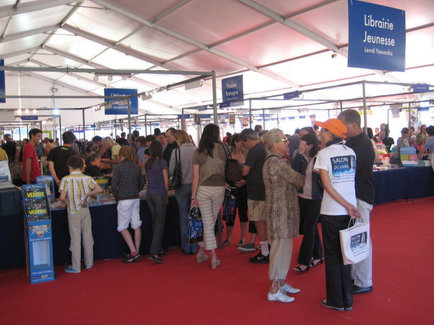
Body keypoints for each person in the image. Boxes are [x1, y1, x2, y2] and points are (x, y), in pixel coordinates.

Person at [314, 118, 360, 311]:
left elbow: (327, 185)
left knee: (333, 255)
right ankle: (347, 299)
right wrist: (349, 205)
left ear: (330, 134)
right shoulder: (351, 152)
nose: (320, 134)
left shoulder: (323, 154)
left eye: (323, 131)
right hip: (349, 211)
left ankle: (335, 300)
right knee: (345, 255)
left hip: (333, 210)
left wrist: (345, 204)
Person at [262, 129, 305, 303]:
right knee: (280, 250)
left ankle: (281, 282)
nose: (287, 142)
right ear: (274, 144)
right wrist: (301, 157)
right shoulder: (276, 163)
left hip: (283, 211)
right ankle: (274, 288)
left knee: (284, 248)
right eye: (284, 139)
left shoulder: (277, 161)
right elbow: (298, 180)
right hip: (280, 212)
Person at [338, 109, 375, 295]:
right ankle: (356, 275)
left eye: (343, 125)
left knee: (361, 237)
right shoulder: (351, 141)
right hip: (352, 196)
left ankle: (364, 280)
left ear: (354, 125)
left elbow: (349, 168)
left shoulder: (363, 144)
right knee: (353, 236)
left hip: (361, 196)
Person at [191, 124, 227, 269]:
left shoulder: (198, 152)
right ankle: (212, 255)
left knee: (208, 222)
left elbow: (195, 177)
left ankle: (205, 253)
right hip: (219, 188)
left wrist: (193, 197)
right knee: (210, 222)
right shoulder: (224, 148)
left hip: (203, 189)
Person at [59, 155, 102, 273]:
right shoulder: (88, 178)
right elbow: (99, 189)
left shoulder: (65, 179)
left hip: (73, 210)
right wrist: (87, 195)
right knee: (88, 236)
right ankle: (89, 263)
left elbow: (62, 197)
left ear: (70, 166)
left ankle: (76, 266)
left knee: (75, 238)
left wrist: (66, 202)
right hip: (85, 209)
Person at [291, 133, 324, 273]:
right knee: (308, 227)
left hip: (316, 198)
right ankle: (318, 254)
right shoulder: (300, 156)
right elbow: (292, 172)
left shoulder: (320, 157)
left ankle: (305, 261)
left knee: (309, 228)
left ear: (310, 145)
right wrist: (299, 154)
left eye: (303, 143)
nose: (300, 145)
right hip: (302, 196)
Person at [240, 128, 269, 263]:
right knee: (264, 221)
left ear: (249, 139)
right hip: (264, 189)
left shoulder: (254, 151)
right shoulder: (263, 149)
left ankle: (265, 252)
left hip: (256, 191)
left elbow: (245, 171)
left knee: (259, 221)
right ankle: (267, 247)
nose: (243, 146)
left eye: (244, 143)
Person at [112, 146, 145, 263]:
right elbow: (141, 183)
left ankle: (133, 252)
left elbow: (114, 185)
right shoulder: (137, 167)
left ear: (121, 154)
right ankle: (137, 250)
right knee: (136, 224)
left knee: (122, 226)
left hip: (123, 198)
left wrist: (116, 197)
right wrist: (136, 190)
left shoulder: (118, 168)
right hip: (135, 198)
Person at [169, 130, 197, 255]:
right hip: (195, 186)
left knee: (183, 217)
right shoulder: (197, 150)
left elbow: (171, 171)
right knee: (195, 216)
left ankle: (186, 247)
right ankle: (195, 246)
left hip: (181, 186)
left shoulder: (176, 152)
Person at [145, 141, 169, 264]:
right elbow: (166, 182)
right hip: (159, 194)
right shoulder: (162, 163)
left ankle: (158, 248)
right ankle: (154, 251)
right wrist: (167, 195)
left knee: (155, 222)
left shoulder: (147, 163)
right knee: (160, 223)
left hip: (149, 194)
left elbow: (147, 181)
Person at [223, 134, 248, 246]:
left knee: (243, 213)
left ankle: (243, 238)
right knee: (230, 214)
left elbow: (251, 172)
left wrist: (245, 181)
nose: (242, 144)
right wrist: (224, 182)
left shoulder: (246, 155)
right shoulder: (228, 156)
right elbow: (222, 171)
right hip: (231, 187)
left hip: (243, 187)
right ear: (235, 142)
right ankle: (228, 238)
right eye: (240, 142)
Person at [47, 131, 76, 197]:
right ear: (72, 140)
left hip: (56, 180)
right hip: (69, 181)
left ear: (63, 139)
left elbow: (50, 167)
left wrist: (57, 180)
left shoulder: (54, 151)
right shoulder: (73, 152)